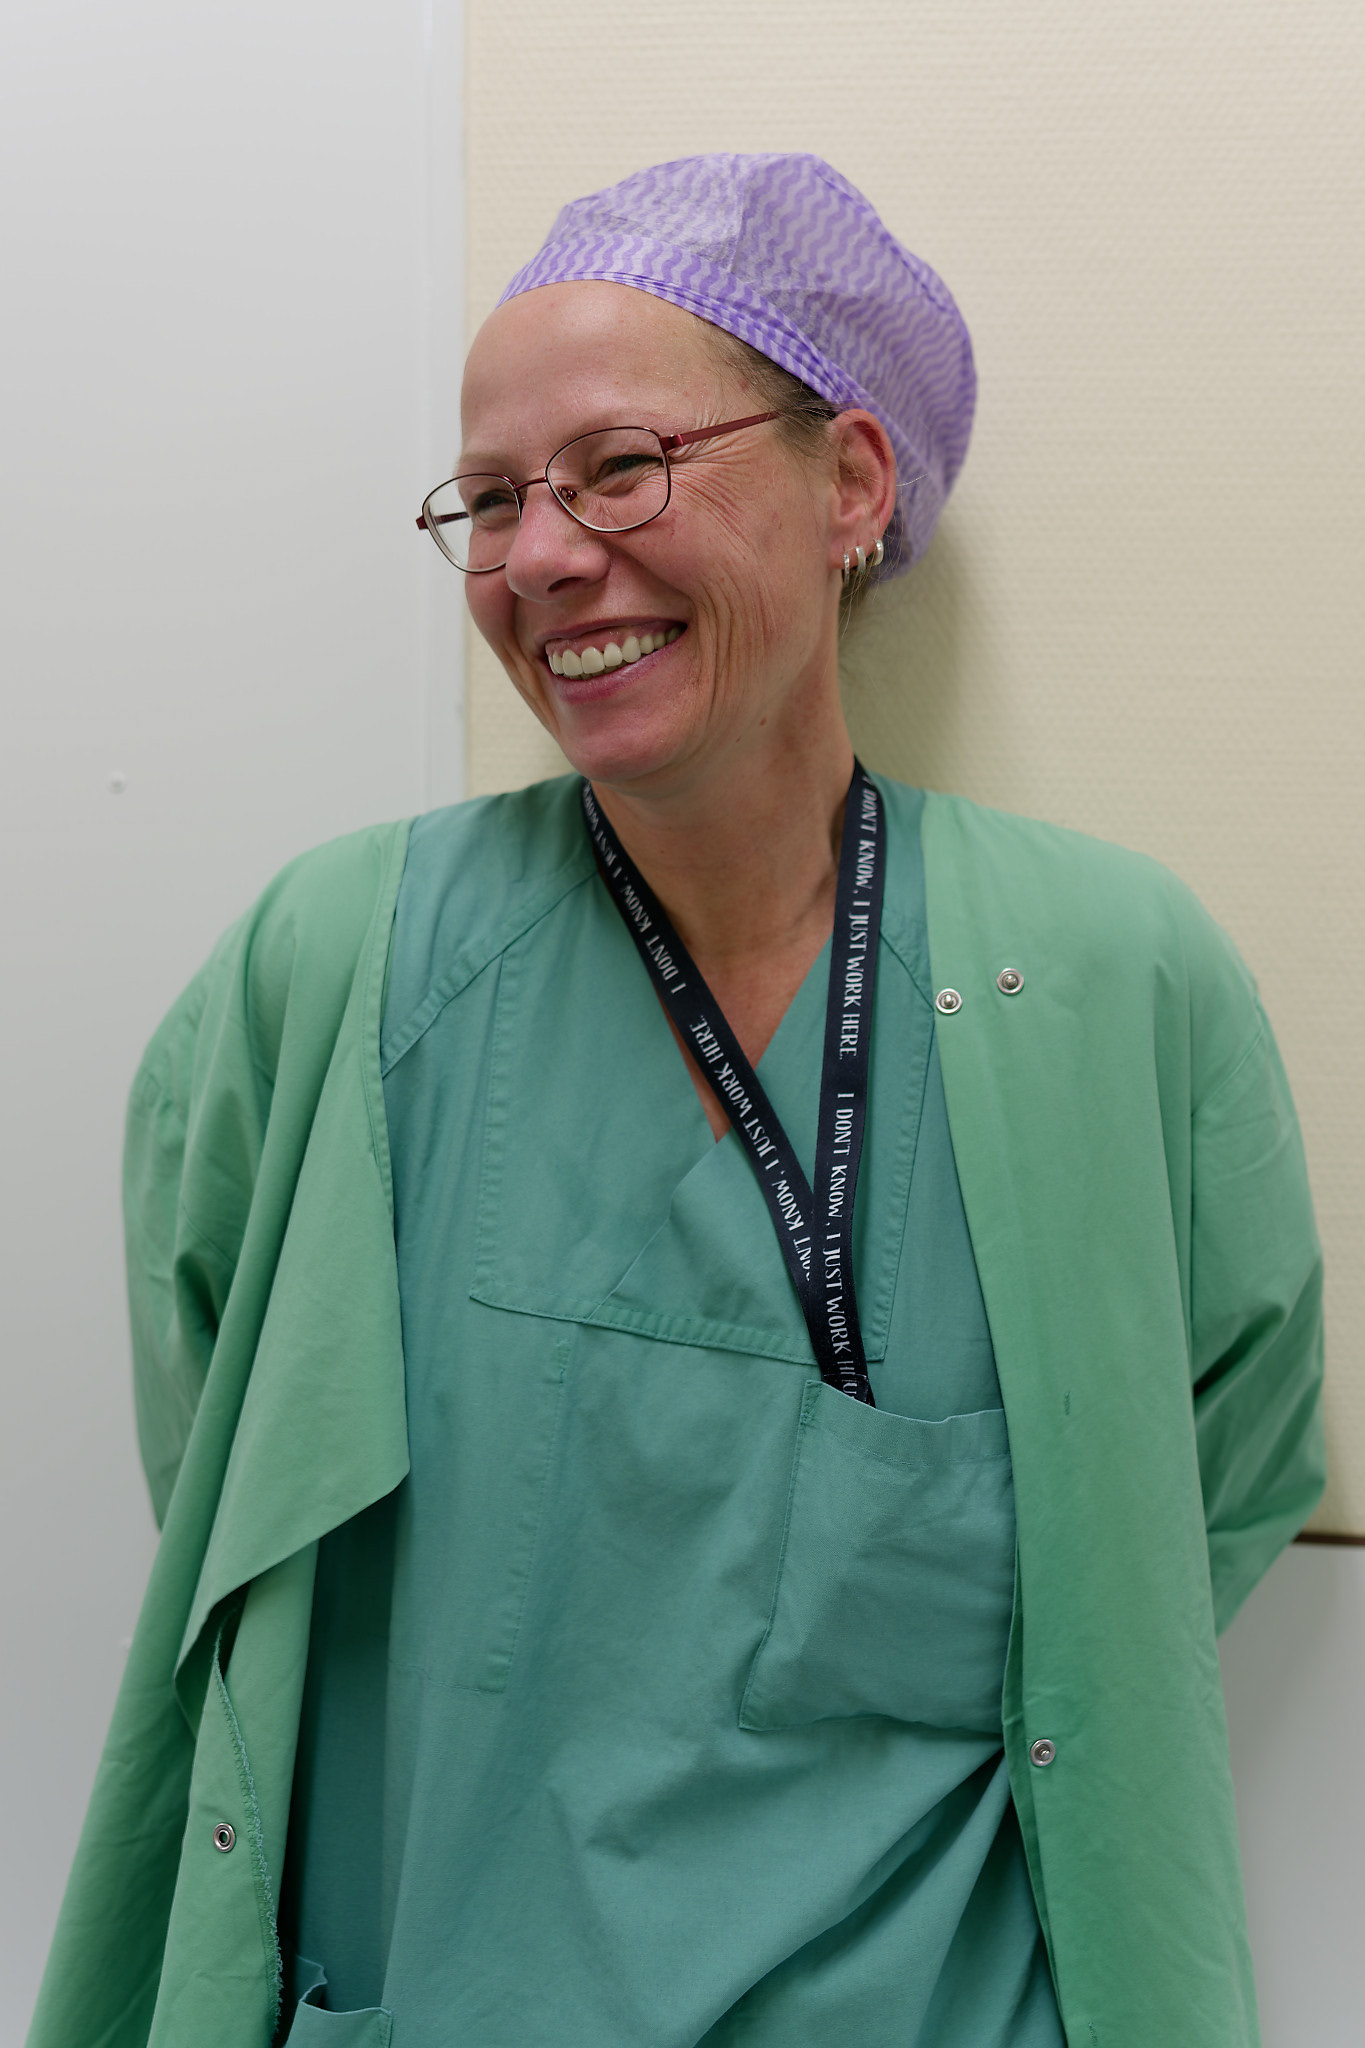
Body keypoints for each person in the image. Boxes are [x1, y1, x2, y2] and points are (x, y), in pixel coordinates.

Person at [29, 154, 1323, 2048]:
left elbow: (1214, 1469)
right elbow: (224, 1437)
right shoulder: (341, 970)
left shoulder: (1102, 979)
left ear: (850, 486)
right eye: (490, 499)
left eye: (618, 467)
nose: (541, 556)